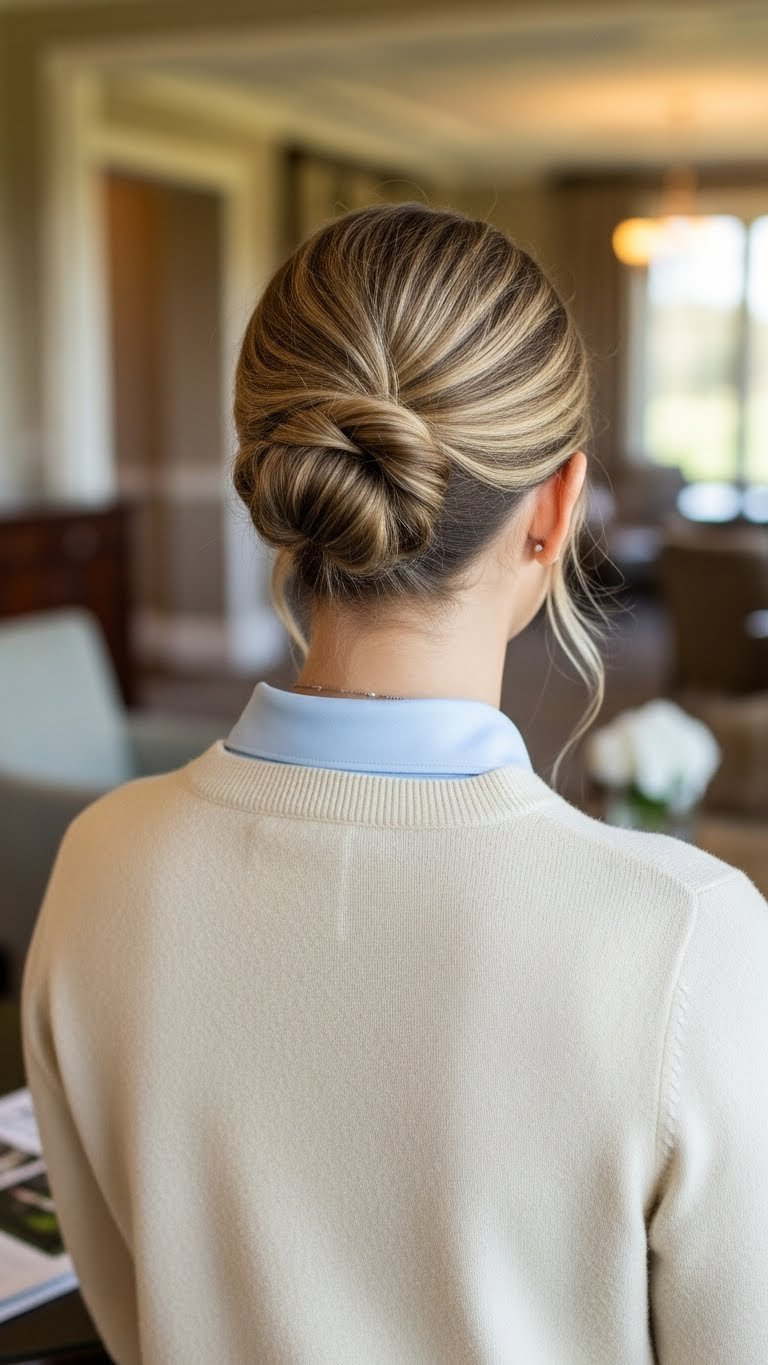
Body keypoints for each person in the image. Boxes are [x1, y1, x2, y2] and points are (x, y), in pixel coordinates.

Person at [22, 203, 768, 1365]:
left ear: (279, 483)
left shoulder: (98, 863)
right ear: (558, 510)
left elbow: (130, 1317)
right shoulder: (687, 938)